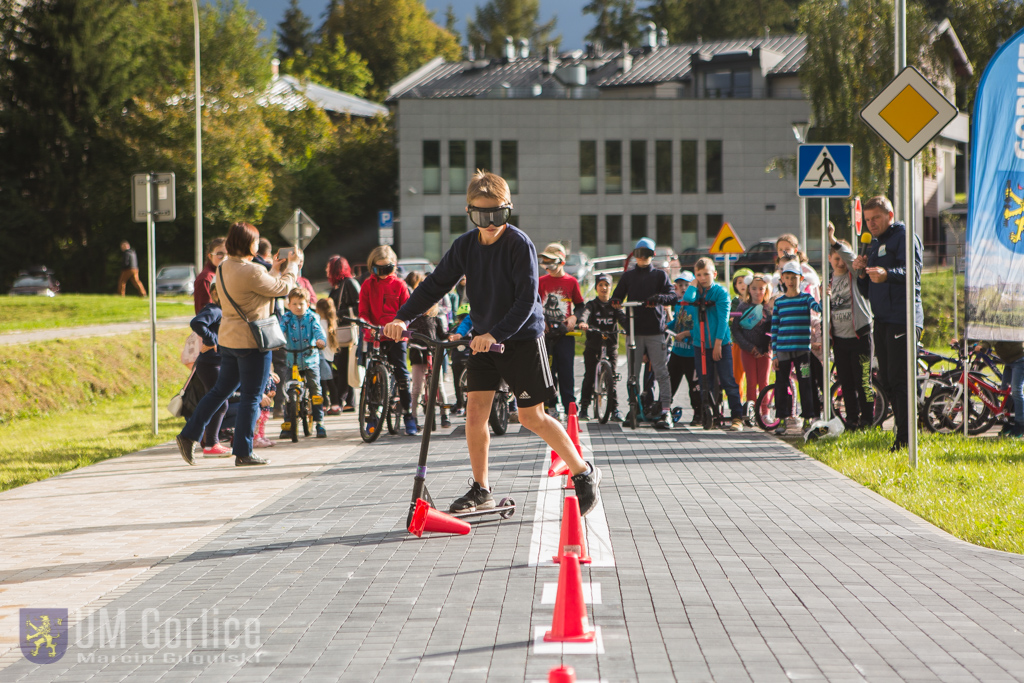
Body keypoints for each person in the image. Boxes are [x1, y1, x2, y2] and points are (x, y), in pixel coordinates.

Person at [382, 171, 601, 516]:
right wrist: (402, 317)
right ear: (470, 212)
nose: (490, 223)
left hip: (521, 339)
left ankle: (582, 472)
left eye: (498, 215)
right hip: (483, 343)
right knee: (474, 417)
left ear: (508, 210)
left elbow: (527, 300)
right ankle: (481, 489)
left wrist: (495, 334)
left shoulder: (519, 244)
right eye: (482, 216)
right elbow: (434, 285)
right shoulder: (465, 246)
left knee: (532, 417)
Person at [175, 221, 299, 466]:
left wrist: (274, 268)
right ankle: (243, 452)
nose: (257, 243)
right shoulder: (251, 271)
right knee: (252, 397)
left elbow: (262, 289)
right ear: (247, 244)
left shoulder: (224, 267)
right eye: (255, 240)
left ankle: (188, 435)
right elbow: (283, 288)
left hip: (229, 340)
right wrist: (293, 265)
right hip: (253, 341)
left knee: (220, 391)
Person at [852, 195, 924, 452]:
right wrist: (862, 273)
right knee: (886, 379)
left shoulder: (904, 236)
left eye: (876, 218)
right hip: (881, 320)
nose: (871, 224)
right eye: (868, 220)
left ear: (890, 216)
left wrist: (887, 274)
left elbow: (913, 274)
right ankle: (905, 432)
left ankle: (906, 440)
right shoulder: (874, 245)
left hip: (903, 320)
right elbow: (867, 290)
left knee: (899, 379)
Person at [610, 237, 676, 429]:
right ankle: (635, 407)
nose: (642, 259)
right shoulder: (628, 277)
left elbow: (672, 297)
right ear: (634, 256)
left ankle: (665, 411)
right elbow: (617, 297)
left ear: (652, 256)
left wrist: (658, 299)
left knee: (661, 371)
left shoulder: (660, 276)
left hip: (655, 331)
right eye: (639, 254)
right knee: (633, 374)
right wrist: (616, 302)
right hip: (634, 330)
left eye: (646, 255)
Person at [359, 245, 416, 435]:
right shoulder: (368, 285)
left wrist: (401, 327)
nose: (383, 274)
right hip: (375, 335)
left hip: (396, 337)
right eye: (378, 269)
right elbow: (363, 312)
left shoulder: (399, 285)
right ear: (371, 267)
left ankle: (408, 415)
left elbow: (407, 311)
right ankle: (372, 415)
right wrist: (366, 324)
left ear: (395, 266)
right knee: (372, 378)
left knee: (402, 374)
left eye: (388, 269)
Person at [827, 224, 874, 430]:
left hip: (859, 337)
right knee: (846, 384)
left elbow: (849, 257)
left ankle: (868, 420)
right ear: (830, 259)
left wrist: (833, 240)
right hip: (840, 340)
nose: (840, 262)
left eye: (842, 258)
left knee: (863, 381)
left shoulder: (853, 276)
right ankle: (852, 420)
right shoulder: (828, 282)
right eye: (835, 258)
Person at [691, 257, 745, 431]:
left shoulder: (720, 292)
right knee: (705, 382)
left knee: (728, 380)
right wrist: (692, 286)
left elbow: (723, 320)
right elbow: (687, 301)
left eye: (706, 274)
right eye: (698, 275)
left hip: (720, 344)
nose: (703, 278)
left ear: (714, 274)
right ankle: (711, 415)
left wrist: (717, 344)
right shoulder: (696, 293)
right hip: (700, 345)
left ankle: (737, 416)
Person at [771, 261, 823, 435]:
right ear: (782, 279)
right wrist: (774, 355)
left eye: (794, 277)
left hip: (802, 350)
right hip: (784, 350)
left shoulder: (806, 298)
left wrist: (823, 296)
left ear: (801, 279)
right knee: (781, 384)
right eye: (787, 277)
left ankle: (809, 418)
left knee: (806, 383)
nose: (791, 281)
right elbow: (775, 329)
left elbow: (819, 308)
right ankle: (783, 418)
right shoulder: (779, 302)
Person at [538, 242, 584, 418]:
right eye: (544, 262)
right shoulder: (541, 282)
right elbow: (534, 306)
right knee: (548, 372)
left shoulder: (571, 282)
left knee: (566, 372)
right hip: (546, 334)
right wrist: (541, 322)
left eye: (551, 262)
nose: (547, 266)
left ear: (561, 262)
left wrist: (574, 317)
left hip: (565, 334)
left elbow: (580, 306)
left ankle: (570, 407)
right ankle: (550, 405)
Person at [279, 287, 328, 439]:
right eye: (294, 304)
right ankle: (288, 423)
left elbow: (318, 331)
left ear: (307, 304)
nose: (298, 307)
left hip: (310, 359)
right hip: (291, 360)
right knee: (288, 391)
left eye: (301, 304)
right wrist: (276, 340)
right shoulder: (286, 318)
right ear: (289, 305)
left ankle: (319, 422)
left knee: (315, 390)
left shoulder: (312, 318)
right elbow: (280, 331)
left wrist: (321, 341)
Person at [189, 283, 230, 456]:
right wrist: (212, 340)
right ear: (214, 293)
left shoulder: (223, 311)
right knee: (220, 403)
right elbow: (197, 322)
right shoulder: (215, 310)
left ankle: (209, 442)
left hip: (216, 362)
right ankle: (210, 443)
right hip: (210, 364)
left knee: (218, 402)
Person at [578, 273, 623, 422]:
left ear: (611, 287)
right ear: (596, 287)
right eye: (600, 285)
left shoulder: (614, 305)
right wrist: (583, 322)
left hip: (610, 345)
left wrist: (628, 327)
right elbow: (585, 314)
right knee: (589, 375)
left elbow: (622, 318)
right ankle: (584, 408)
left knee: (613, 377)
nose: (604, 288)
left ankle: (615, 409)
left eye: (607, 285)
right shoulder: (592, 304)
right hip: (593, 345)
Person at [731, 273, 773, 420]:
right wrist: (749, 347)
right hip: (747, 351)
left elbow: (773, 329)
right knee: (751, 381)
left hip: (765, 352)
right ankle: (752, 412)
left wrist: (766, 348)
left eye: (761, 288)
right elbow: (735, 329)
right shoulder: (742, 307)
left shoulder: (769, 308)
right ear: (749, 289)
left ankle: (765, 413)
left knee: (764, 382)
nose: (757, 292)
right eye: (754, 288)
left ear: (766, 289)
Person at [408, 303, 451, 431]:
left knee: (439, 386)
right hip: (417, 354)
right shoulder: (413, 318)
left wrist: (450, 336)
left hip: (432, 354)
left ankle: (445, 415)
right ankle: (413, 417)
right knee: (416, 388)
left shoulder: (436, 318)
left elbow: (442, 334)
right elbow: (408, 334)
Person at [666, 272, 701, 425]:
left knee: (694, 387)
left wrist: (687, 334)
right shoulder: (678, 304)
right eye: (680, 285)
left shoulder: (696, 306)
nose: (683, 288)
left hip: (692, 354)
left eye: (687, 285)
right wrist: (663, 328)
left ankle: (699, 414)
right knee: (669, 383)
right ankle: (664, 411)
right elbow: (676, 323)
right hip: (677, 353)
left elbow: (701, 329)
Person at [326, 256, 360, 412]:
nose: (326, 270)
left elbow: (360, 307)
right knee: (342, 367)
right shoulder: (337, 286)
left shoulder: (348, 284)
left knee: (343, 367)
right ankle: (349, 402)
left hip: (347, 333)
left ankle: (340, 401)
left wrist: (338, 314)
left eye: (328, 267)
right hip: (338, 333)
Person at [316, 298, 342, 416]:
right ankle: (335, 405)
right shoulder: (332, 323)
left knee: (322, 382)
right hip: (330, 356)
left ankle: (324, 404)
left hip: (321, 355)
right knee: (331, 382)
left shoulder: (319, 323)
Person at [730, 268, 753, 400]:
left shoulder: (756, 301)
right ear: (735, 285)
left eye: (746, 281)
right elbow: (731, 320)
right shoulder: (734, 302)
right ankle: (737, 403)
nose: (743, 285)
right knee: (737, 376)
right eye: (739, 282)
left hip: (753, 342)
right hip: (737, 343)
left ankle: (753, 403)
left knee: (752, 377)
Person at [194, 237, 227, 313]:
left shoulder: (223, 274)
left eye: (228, 254)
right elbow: (205, 311)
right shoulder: (206, 277)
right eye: (219, 254)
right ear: (210, 256)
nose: (224, 258)